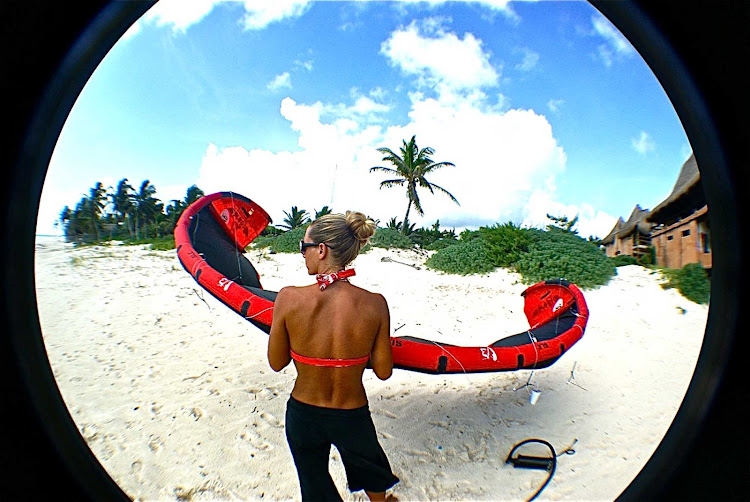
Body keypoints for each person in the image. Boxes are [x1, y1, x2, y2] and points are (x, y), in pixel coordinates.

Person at [268, 211, 399, 502]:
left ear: (321, 250)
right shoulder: (375, 304)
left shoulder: (288, 298)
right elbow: (383, 370)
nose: (302, 255)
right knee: (370, 466)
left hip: (304, 413)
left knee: (314, 481)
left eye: (304, 248)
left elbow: (277, 363)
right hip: (351, 412)